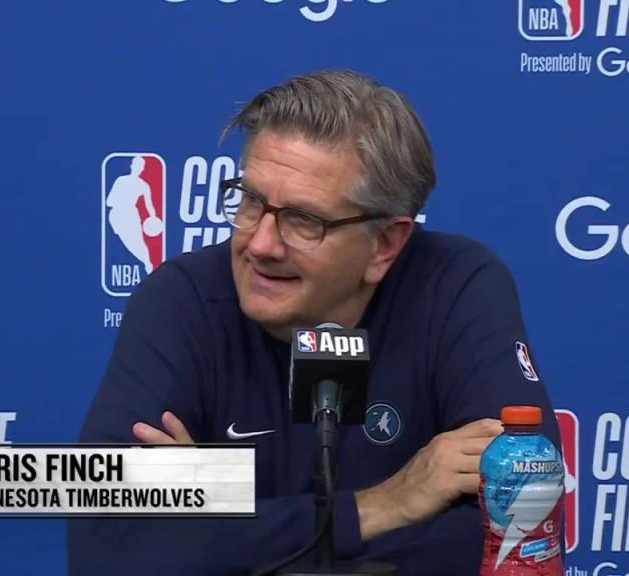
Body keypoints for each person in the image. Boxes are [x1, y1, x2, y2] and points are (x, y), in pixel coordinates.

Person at [68, 69, 562, 575]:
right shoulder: (183, 299)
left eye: (304, 220)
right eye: (251, 201)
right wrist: (386, 505)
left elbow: (518, 531)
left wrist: (220, 515)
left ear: (384, 244)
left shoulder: (456, 288)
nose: (261, 244)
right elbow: (109, 550)